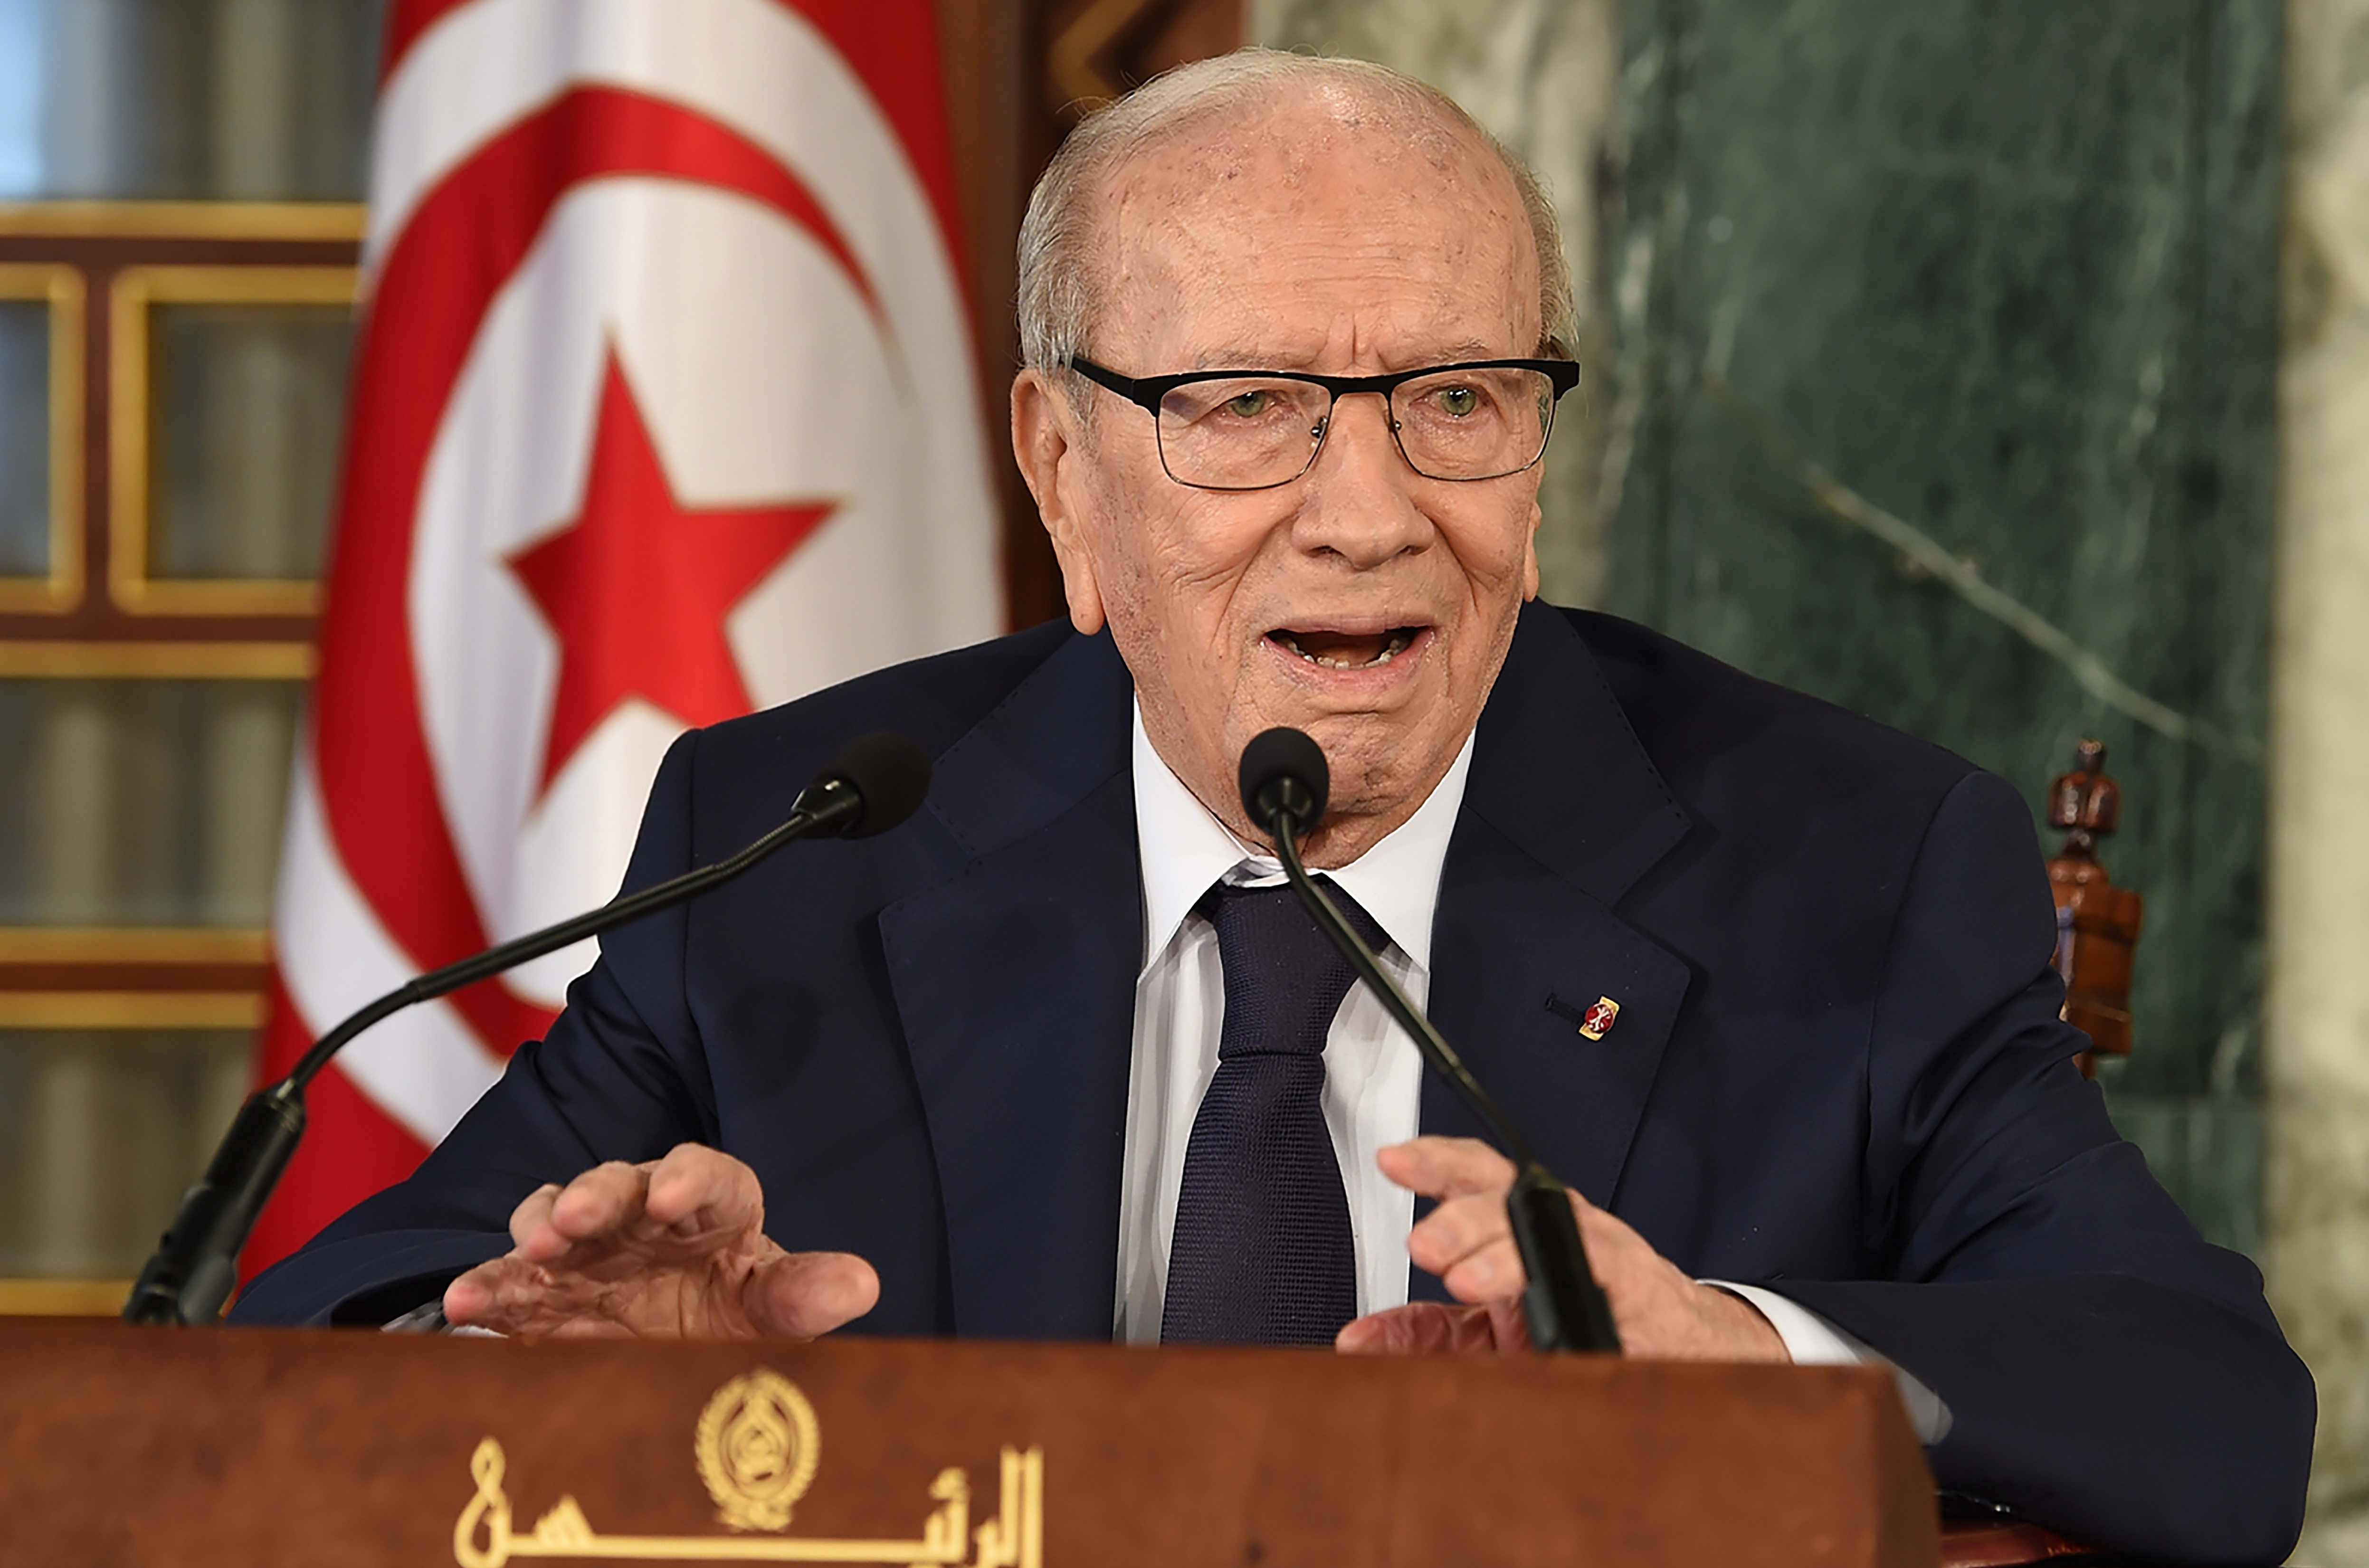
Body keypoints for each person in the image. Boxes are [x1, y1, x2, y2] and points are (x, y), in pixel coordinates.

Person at [235, 50, 2313, 1563]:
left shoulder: (1844, 866)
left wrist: (1743, 1360)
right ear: (1061, 473)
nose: (1365, 512)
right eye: (1241, 410)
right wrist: (532, 1358)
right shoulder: (802, 844)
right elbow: (299, 1350)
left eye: (1455, 401)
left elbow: (2206, 1410)